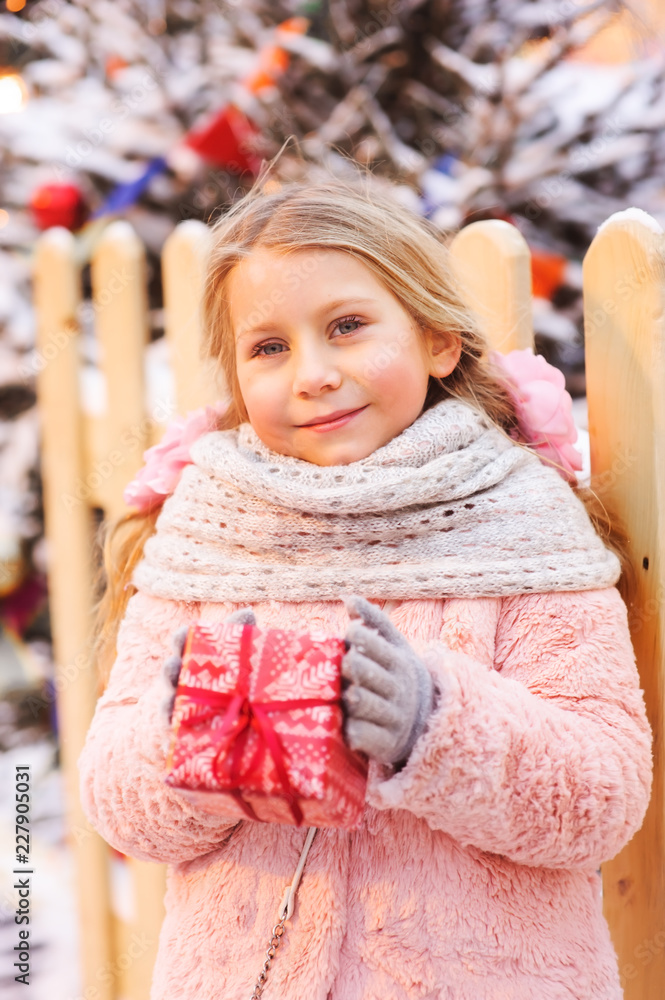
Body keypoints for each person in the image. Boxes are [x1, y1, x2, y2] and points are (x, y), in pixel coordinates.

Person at [78, 171, 652, 1000]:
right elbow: (118, 805)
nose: (311, 373)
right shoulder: (210, 529)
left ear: (435, 340)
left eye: (346, 327)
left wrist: (434, 721)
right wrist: (177, 738)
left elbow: (600, 797)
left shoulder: (519, 522)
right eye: (268, 347)